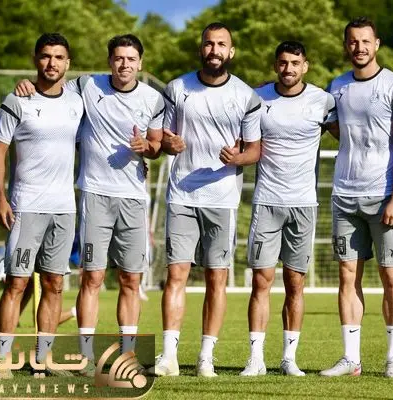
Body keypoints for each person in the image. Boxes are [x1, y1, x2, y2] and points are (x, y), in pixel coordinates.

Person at [15, 34, 165, 377]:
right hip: (95, 195)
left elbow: (157, 145)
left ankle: (128, 356)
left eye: (131, 59)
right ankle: (84, 356)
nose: (124, 64)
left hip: (134, 199)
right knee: (92, 277)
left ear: (140, 63)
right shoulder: (87, 85)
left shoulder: (153, 99)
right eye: (118, 58)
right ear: (109, 61)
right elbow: (50, 86)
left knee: (131, 279)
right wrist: (26, 84)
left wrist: (146, 147)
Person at [151, 22, 261, 378]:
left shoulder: (246, 96)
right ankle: (169, 356)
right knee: (176, 274)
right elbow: (163, 138)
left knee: (217, 278)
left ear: (231, 51)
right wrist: (170, 144)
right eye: (209, 44)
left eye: (221, 44)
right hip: (182, 194)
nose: (215, 50)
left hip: (222, 199)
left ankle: (205, 358)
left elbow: (255, 149)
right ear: (202, 49)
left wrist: (238, 158)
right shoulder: (176, 88)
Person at [320, 17, 393, 379]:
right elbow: (336, 127)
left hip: (384, 196)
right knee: (347, 276)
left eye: (365, 41)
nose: (359, 47)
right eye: (352, 41)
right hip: (344, 195)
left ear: (377, 44)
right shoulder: (336, 86)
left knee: (392, 276)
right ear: (346, 45)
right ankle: (351, 359)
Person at [0, 33, 84, 379]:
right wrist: (1, 197)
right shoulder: (17, 100)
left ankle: (42, 360)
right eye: (45, 56)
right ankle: (2, 359)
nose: (51, 63)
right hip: (26, 206)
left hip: (65, 209)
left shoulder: (77, 101)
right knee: (17, 284)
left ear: (68, 63)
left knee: (55, 284)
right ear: (35, 59)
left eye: (59, 57)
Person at [239, 41, 335, 377]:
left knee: (295, 282)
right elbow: (239, 138)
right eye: (283, 62)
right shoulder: (257, 98)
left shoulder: (323, 101)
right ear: (275, 65)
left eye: (295, 63)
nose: (289, 68)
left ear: (305, 66)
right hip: (267, 201)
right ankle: (256, 358)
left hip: (304, 204)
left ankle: (288, 358)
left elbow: (352, 136)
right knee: (261, 280)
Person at [0, 247, 77, 324]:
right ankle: (12, 320)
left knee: (43, 320)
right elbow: (25, 293)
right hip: (46, 271)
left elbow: (12, 286)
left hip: (42, 276)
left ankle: (77, 311)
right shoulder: (5, 249)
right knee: (26, 291)